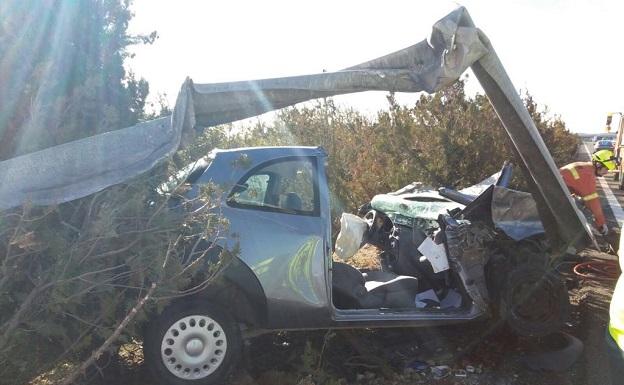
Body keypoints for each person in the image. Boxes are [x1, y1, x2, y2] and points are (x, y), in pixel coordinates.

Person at [559, 149, 619, 236]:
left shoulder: (583, 167)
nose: (606, 172)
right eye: (606, 168)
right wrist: (601, 223)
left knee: (580, 202)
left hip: (555, 192)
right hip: (556, 198)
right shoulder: (587, 175)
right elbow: (592, 202)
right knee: (583, 212)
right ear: (598, 165)